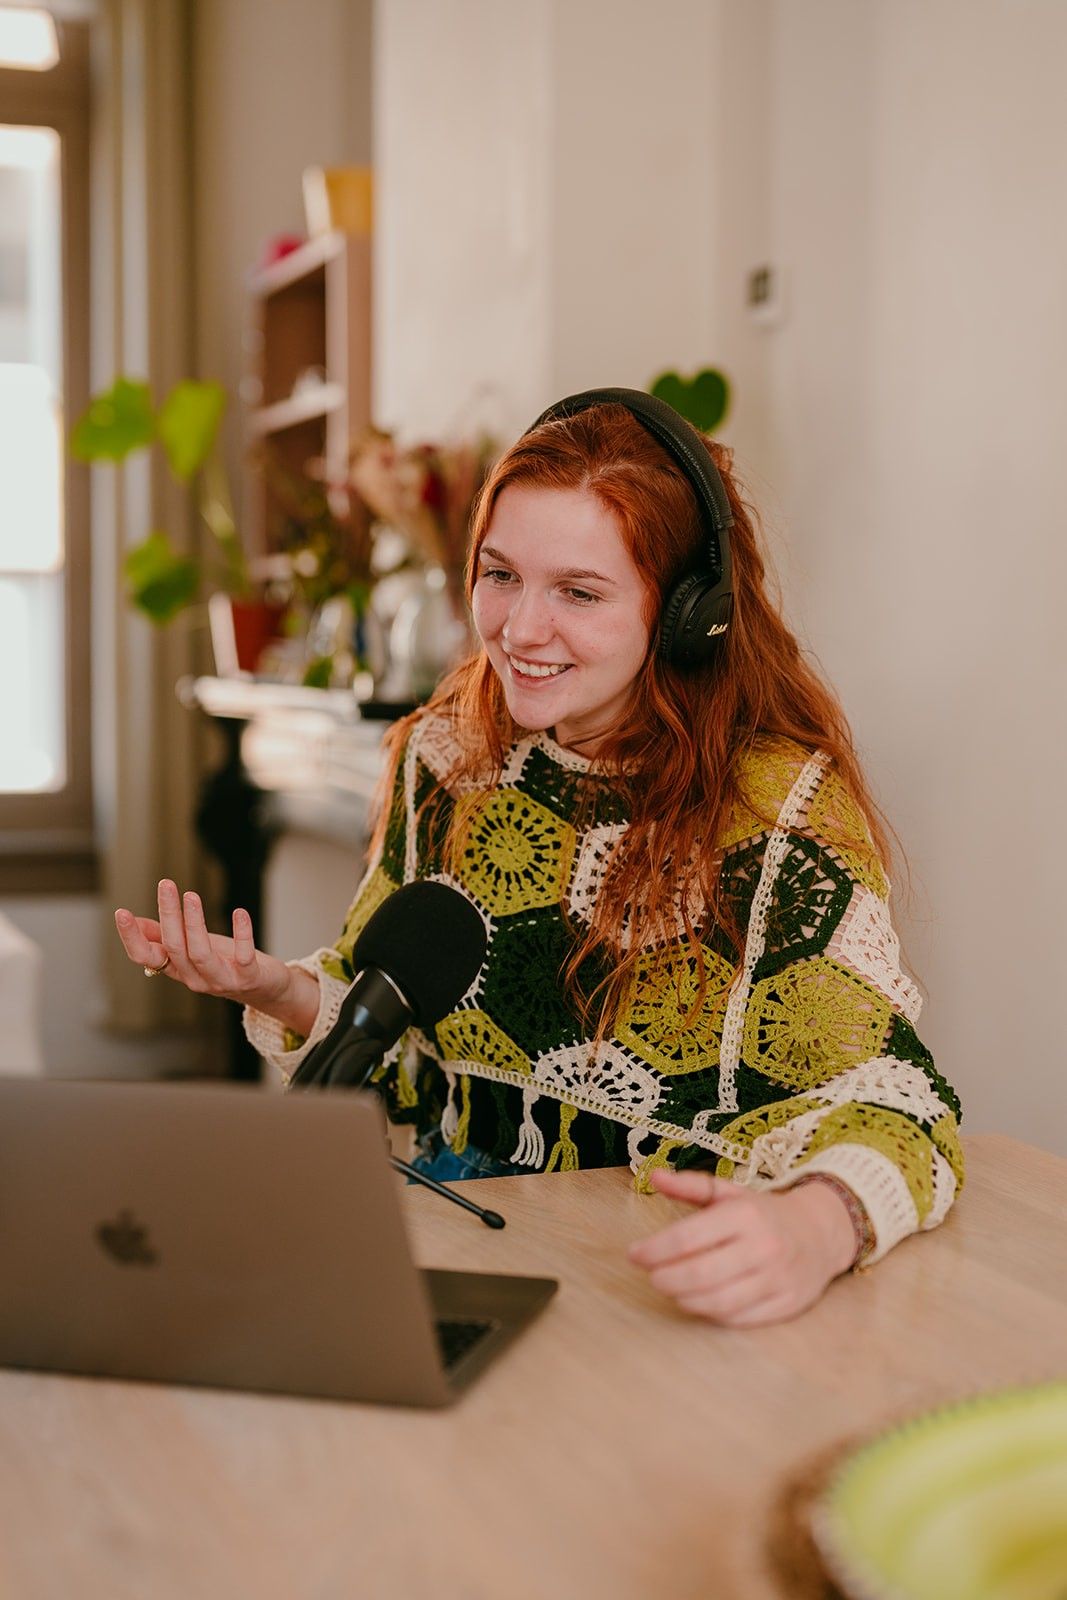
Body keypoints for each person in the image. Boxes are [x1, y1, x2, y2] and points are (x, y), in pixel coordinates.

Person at [115, 389, 963, 1329]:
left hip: (664, 1297)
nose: (519, 629)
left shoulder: (774, 810)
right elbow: (401, 1046)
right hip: (451, 1261)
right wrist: (276, 990)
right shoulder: (440, 757)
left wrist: (815, 1228)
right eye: (500, 574)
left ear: (688, 614)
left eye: (580, 592)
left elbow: (900, 1107)